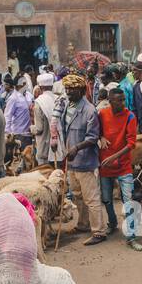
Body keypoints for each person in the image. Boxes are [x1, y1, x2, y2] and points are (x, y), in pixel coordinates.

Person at [58, 74, 107, 246]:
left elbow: (93, 137)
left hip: (85, 162)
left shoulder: (90, 110)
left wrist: (77, 148)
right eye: (67, 89)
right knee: (78, 196)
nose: (68, 92)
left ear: (81, 90)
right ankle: (83, 224)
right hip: (71, 162)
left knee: (91, 198)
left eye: (72, 89)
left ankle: (99, 231)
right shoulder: (67, 106)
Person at [98, 88, 142, 251]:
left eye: (124, 100)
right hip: (105, 165)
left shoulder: (130, 116)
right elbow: (96, 132)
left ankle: (131, 236)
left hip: (123, 165)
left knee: (128, 200)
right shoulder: (102, 114)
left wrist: (115, 156)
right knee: (107, 199)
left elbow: (131, 143)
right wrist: (100, 137)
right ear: (110, 101)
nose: (123, 103)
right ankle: (113, 223)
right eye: (119, 100)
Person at [31, 71, 62, 165]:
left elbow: (39, 129)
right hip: (59, 146)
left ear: (40, 87)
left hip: (45, 148)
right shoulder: (59, 99)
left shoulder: (38, 102)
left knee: (45, 175)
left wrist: (31, 128)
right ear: (52, 86)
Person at [2, 77, 32, 149]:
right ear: (17, 85)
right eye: (24, 83)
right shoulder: (13, 98)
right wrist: (8, 134)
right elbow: (7, 116)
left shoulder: (28, 95)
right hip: (19, 134)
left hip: (29, 133)